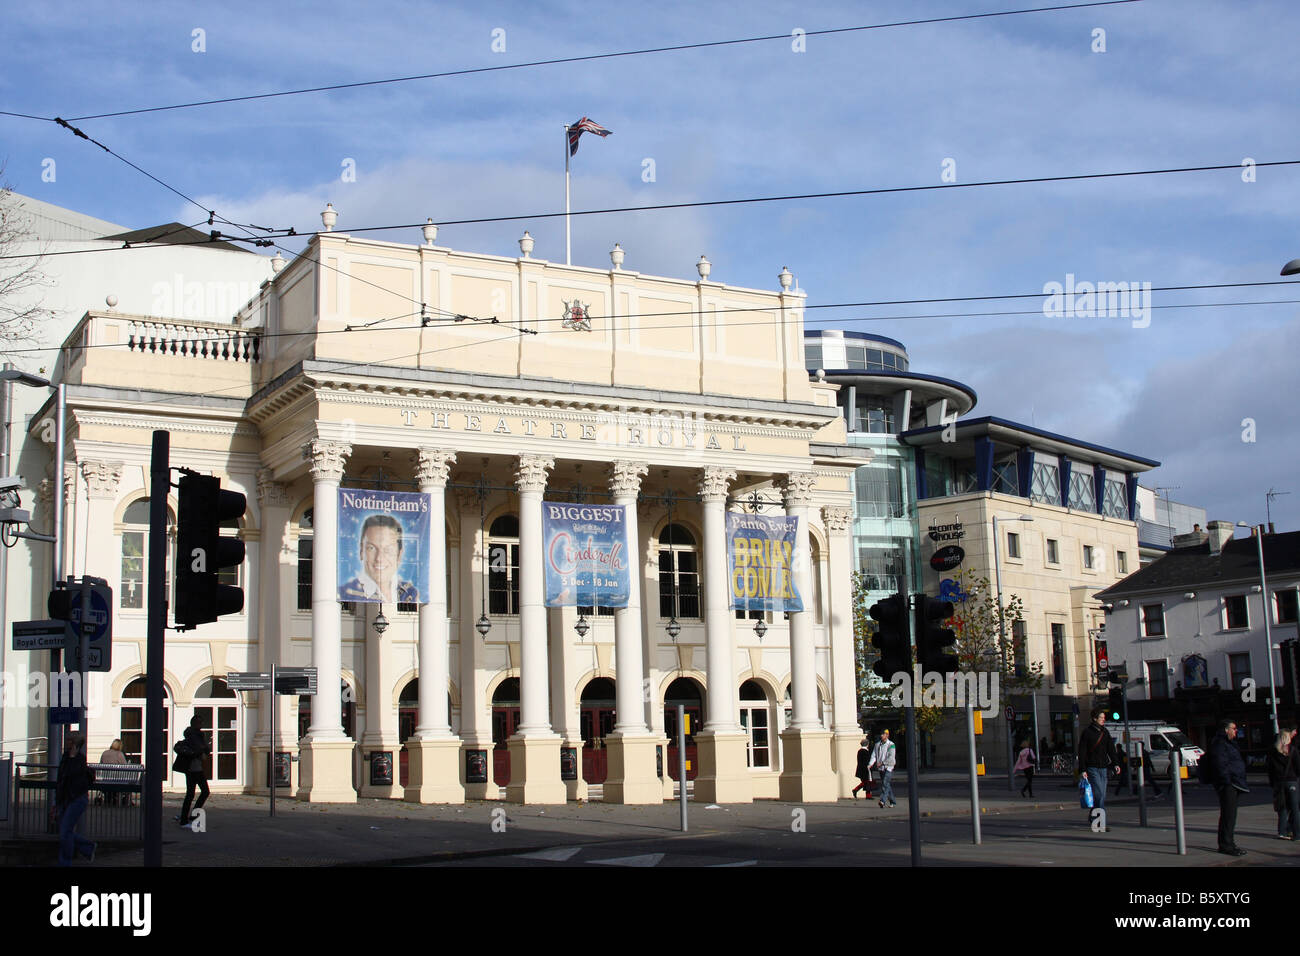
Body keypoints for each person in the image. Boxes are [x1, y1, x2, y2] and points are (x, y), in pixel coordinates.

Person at [339, 514, 419, 604]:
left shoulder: (411, 593)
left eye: (388, 550)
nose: (379, 558)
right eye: (371, 548)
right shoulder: (344, 594)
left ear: (399, 555)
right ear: (361, 551)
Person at [1207, 719, 1249, 856]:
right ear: (1226, 730)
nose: (1236, 731)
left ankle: (1228, 843)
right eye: (1233, 728)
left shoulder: (1228, 743)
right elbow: (1220, 764)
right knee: (1228, 816)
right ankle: (1226, 845)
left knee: (1230, 815)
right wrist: (1227, 781)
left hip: (1234, 782)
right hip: (1228, 784)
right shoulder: (1220, 743)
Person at [55, 733, 96, 866]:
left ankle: (65, 862)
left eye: (68, 741)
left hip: (76, 798)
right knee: (65, 831)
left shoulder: (79, 759)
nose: (66, 744)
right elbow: (61, 779)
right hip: (66, 798)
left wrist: (73, 757)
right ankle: (88, 847)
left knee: (65, 832)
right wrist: (57, 802)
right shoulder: (65, 758)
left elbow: (74, 776)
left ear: (74, 744)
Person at [1077, 707, 1119, 828]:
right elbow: (1082, 752)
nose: (1103, 720)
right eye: (1101, 718)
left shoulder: (1105, 732)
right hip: (1092, 767)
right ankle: (1100, 822)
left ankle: (1093, 815)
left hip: (1103, 767)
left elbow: (1111, 749)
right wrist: (1083, 769)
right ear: (1094, 718)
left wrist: (1115, 763)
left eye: (1104, 718)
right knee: (1099, 794)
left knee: (1102, 795)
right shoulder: (1087, 733)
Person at [175, 715, 211, 828]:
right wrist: (202, 752)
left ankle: (187, 817)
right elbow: (200, 749)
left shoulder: (197, 734)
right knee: (199, 792)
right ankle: (185, 820)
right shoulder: (193, 735)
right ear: (195, 723)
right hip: (193, 768)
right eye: (200, 722)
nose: (201, 725)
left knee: (193, 793)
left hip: (195, 767)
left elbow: (204, 749)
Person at [1266, 728, 1297, 840]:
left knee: (1282, 807)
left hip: (1278, 782)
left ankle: (1282, 831)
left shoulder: (1272, 751)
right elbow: (1297, 767)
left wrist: (1272, 782)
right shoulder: (1292, 750)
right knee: (1294, 807)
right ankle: (1294, 832)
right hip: (1291, 781)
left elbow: (1270, 769)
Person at [868, 728, 897, 808]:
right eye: (881, 734)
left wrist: (882, 763)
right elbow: (874, 755)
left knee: (885, 784)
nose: (882, 735)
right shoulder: (877, 745)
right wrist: (870, 764)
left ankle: (882, 801)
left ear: (887, 735)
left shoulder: (891, 744)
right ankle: (892, 801)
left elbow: (891, 757)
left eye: (883, 734)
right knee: (887, 785)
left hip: (889, 767)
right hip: (881, 768)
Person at [97, 738, 128, 806]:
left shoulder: (105, 753)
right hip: (117, 779)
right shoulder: (119, 754)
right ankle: (119, 800)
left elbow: (100, 763)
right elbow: (125, 766)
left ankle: (108, 798)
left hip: (105, 778)